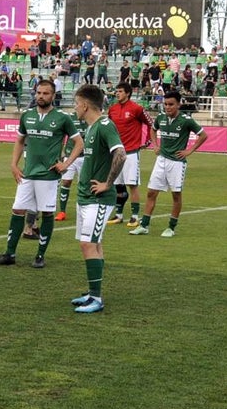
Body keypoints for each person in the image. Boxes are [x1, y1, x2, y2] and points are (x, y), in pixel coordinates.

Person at [0, 80, 83, 268]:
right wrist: (14, 165)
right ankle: (10, 253)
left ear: (53, 96)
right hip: (27, 174)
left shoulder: (63, 118)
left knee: (47, 212)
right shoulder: (27, 116)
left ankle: (40, 256)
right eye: (38, 93)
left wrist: (66, 163)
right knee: (17, 210)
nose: (41, 96)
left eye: (45, 93)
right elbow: (19, 141)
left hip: (48, 176)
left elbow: (79, 143)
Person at [68, 85, 125, 314]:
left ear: (84, 105)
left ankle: (97, 299)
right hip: (85, 197)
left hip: (99, 199)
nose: (75, 108)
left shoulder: (104, 125)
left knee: (88, 244)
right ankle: (92, 293)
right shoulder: (91, 128)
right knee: (95, 244)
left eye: (75, 104)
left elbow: (120, 154)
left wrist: (108, 184)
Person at [129, 90, 207, 238]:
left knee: (176, 195)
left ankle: (171, 227)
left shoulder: (186, 120)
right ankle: (144, 225)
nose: (167, 107)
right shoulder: (161, 118)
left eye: (171, 104)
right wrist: (155, 145)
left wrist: (189, 150)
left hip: (177, 163)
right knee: (151, 192)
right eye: (165, 104)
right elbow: (153, 130)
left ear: (178, 104)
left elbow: (203, 135)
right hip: (161, 160)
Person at [107, 82, 156, 227]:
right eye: (116, 91)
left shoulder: (137, 108)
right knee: (118, 185)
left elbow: (151, 123)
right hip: (116, 152)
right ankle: (119, 214)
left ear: (128, 93)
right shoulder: (113, 109)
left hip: (131, 152)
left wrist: (147, 141)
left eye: (120, 91)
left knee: (132, 185)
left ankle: (135, 216)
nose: (117, 93)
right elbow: (109, 128)